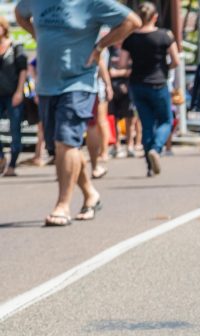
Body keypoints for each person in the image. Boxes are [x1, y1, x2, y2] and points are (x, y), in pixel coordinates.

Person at [15, 0, 140, 226]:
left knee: (66, 142)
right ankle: (91, 193)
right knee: (59, 147)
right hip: (46, 85)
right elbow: (20, 13)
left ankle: (63, 205)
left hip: (78, 83)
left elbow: (132, 21)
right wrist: (37, 35)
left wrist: (100, 46)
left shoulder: (91, 2)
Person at [120, 1, 178, 177]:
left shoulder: (130, 39)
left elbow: (122, 63)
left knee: (146, 124)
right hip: (158, 83)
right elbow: (175, 60)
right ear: (155, 17)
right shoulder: (165, 35)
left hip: (137, 84)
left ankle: (149, 165)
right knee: (165, 120)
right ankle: (156, 148)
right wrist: (166, 68)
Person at [0, 17, 28, 177]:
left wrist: (19, 92)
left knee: (15, 130)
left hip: (13, 94)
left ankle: (12, 164)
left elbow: (23, 70)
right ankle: (1, 157)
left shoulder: (16, 47)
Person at [85, 49, 114, 178]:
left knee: (97, 123)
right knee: (95, 124)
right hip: (90, 88)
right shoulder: (94, 41)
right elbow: (100, 63)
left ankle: (103, 153)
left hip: (62, 87)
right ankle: (96, 165)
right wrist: (108, 85)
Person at [107, 43, 135, 158]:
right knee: (114, 118)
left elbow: (133, 70)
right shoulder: (108, 50)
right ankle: (116, 146)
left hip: (128, 88)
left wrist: (118, 73)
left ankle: (130, 146)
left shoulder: (130, 48)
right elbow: (106, 70)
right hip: (113, 89)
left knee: (130, 119)